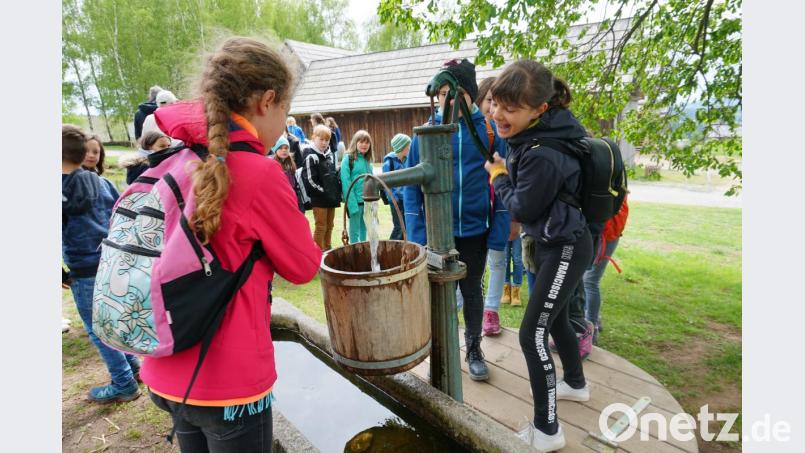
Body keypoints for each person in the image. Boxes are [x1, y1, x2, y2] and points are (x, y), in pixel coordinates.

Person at [140, 37, 322, 452]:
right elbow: (303, 267)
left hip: (163, 367)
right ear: (268, 101)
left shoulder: (176, 160)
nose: (285, 122)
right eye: (286, 111)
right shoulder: (259, 173)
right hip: (228, 384)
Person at [484, 59, 593, 451]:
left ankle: (548, 429)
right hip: (556, 241)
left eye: (510, 109)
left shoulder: (543, 152)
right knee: (558, 318)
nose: (498, 114)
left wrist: (498, 177)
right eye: (496, 103)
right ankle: (576, 384)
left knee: (532, 333)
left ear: (539, 110)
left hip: (564, 247)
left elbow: (523, 209)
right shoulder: (536, 137)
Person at [403, 58, 506, 381]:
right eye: (443, 92)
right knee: (437, 292)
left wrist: (499, 233)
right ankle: (440, 349)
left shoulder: (488, 132)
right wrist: (418, 233)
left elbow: (504, 185)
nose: (447, 99)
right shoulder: (427, 133)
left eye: (454, 92)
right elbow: (411, 186)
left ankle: (473, 347)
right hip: (438, 231)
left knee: (472, 290)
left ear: (470, 94)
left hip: (475, 230)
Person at [62, 124, 141, 403]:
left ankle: (123, 383)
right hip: (112, 261)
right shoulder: (103, 183)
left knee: (98, 329)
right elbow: (121, 218)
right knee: (115, 319)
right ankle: (133, 367)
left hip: (84, 270)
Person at [476, 77, 512, 337]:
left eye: (498, 102)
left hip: (500, 203)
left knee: (498, 259)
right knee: (475, 260)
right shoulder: (470, 131)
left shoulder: (506, 134)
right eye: (489, 101)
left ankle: (491, 310)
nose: (493, 108)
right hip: (477, 207)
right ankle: (472, 303)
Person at [584, 196, 629, 344]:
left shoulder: (607, 178)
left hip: (604, 234)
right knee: (588, 279)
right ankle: (595, 320)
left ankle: (591, 330)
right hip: (608, 232)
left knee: (589, 281)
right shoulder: (615, 177)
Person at [301, 124, 341, 250]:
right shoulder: (310, 156)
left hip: (331, 198)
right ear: (314, 138)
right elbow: (310, 180)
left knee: (330, 226)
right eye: (321, 139)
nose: (324, 143)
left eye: (327, 140)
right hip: (319, 199)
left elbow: (333, 176)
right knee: (321, 227)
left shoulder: (329, 155)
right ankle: (317, 255)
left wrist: (335, 192)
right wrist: (323, 192)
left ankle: (328, 249)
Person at [340, 130, 374, 243]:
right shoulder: (348, 159)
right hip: (355, 203)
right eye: (361, 142)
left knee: (364, 231)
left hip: (367, 203)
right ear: (355, 142)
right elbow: (346, 183)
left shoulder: (367, 160)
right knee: (355, 233)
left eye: (367, 142)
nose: (364, 145)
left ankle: (363, 254)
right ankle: (355, 256)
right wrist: (352, 204)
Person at [382, 133, 411, 240]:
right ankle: (391, 247)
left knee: (406, 227)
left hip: (405, 199)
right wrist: (393, 198)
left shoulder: (406, 160)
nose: (410, 147)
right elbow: (386, 184)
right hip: (395, 201)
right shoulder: (389, 162)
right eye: (408, 145)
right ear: (401, 147)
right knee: (399, 227)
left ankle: (403, 249)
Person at [272, 136, 305, 212]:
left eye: (286, 148)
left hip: (293, 196)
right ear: (275, 150)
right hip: (280, 198)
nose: (284, 150)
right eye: (280, 148)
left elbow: (295, 183)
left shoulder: (290, 163)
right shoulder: (273, 165)